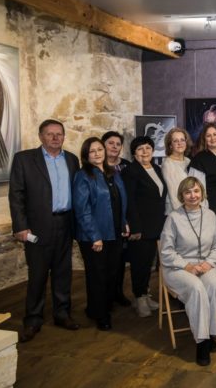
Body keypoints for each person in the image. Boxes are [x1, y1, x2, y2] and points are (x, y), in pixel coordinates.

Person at [9, 119, 81, 342]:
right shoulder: (24, 159)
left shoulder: (72, 159)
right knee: (38, 274)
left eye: (59, 134)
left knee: (63, 272)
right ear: (40, 136)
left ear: (64, 136)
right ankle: (33, 319)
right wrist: (20, 226)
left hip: (65, 223)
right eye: (50, 134)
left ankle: (62, 314)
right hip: (37, 226)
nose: (55, 138)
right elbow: (16, 195)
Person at [159, 177, 216, 366]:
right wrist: (187, 266)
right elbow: (166, 252)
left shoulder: (210, 215)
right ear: (182, 195)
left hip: (204, 265)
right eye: (188, 192)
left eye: (196, 191)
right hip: (178, 267)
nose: (193, 195)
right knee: (196, 288)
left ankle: (209, 332)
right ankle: (202, 342)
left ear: (202, 193)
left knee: (215, 284)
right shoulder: (173, 218)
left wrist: (208, 263)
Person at [73, 137, 128, 330]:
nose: (97, 154)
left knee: (112, 273)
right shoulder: (83, 176)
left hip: (115, 232)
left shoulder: (113, 172)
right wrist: (94, 236)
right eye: (92, 151)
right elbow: (82, 210)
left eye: (99, 149)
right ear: (86, 155)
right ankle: (100, 314)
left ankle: (100, 306)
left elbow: (120, 200)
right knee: (97, 275)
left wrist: (124, 222)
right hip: (94, 236)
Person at [121, 136, 167, 318]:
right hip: (140, 228)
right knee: (139, 263)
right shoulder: (130, 172)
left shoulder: (156, 168)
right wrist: (135, 228)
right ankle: (139, 298)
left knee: (148, 263)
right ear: (134, 153)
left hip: (156, 226)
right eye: (140, 149)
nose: (145, 152)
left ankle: (146, 295)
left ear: (153, 150)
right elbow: (130, 202)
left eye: (148, 148)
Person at [101, 131, 132, 307]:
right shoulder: (98, 166)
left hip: (124, 220)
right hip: (105, 221)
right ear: (103, 145)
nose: (114, 146)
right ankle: (105, 297)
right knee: (105, 262)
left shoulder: (127, 166)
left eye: (118, 144)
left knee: (120, 260)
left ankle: (118, 292)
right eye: (110, 143)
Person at [161, 127, 193, 214]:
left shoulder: (188, 161)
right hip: (178, 211)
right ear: (170, 145)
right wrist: (184, 214)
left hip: (190, 208)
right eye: (175, 141)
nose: (180, 143)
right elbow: (174, 195)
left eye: (182, 140)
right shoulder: (168, 164)